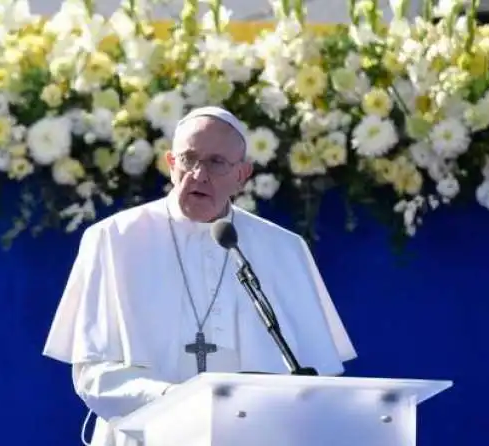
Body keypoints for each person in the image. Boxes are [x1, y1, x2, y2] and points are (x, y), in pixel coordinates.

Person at [42, 106, 357, 446]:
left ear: (243, 174)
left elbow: (313, 377)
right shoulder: (114, 239)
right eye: (188, 159)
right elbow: (93, 373)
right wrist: (176, 402)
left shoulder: (284, 249)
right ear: (170, 163)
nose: (198, 174)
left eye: (216, 162)